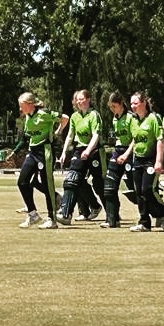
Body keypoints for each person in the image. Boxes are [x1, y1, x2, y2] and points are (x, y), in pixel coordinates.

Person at [12, 92, 69, 229]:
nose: (20, 108)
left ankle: (52, 219)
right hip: (32, 152)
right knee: (22, 182)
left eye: (22, 105)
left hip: (45, 152)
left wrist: (58, 131)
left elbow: (65, 118)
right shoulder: (28, 117)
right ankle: (33, 215)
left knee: (47, 185)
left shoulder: (44, 113)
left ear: (30, 104)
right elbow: (27, 137)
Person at [118, 92, 164, 232]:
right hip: (138, 159)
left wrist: (159, 161)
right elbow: (135, 140)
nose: (132, 106)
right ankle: (144, 222)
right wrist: (126, 154)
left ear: (143, 103)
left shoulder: (154, 118)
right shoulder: (133, 120)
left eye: (135, 103)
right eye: (131, 103)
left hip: (151, 159)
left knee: (147, 190)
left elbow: (160, 140)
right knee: (139, 193)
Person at [56, 89, 105, 225]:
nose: (79, 102)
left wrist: (88, 151)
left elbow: (96, 135)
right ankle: (66, 213)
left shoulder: (94, 115)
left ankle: (112, 215)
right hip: (79, 150)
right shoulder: (75, 116)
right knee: (73, 180)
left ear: (88, 100)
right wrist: (64, 152)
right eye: (77, 99)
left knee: (99, 184)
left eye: (82, 99)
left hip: (94, 151)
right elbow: (70, 135)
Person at [101, 91, 136, 227]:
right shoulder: (115, 118)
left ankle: (159, 213)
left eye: (114, 106)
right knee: (109, 186)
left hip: (130, 152)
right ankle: (112, 220)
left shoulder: (131, 118)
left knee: (137, 189)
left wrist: (126, 154)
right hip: (118, 151)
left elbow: (135, 139)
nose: (112, 109)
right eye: (110, 107)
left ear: (121, 103)